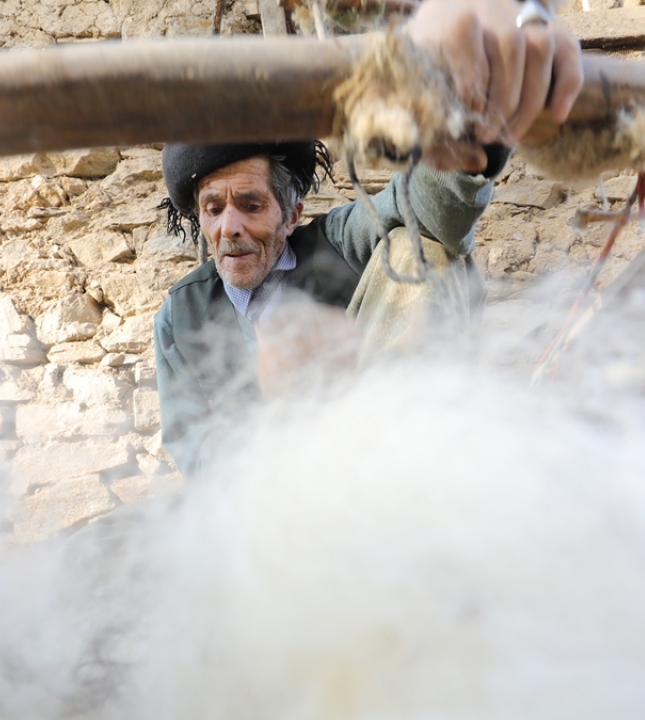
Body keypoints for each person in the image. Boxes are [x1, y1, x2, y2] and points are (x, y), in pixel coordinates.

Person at [153, 0, 583, 478]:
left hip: (392, 468)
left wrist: (468, 139)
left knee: (418, 247)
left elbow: (419, 203)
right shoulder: (180, 316)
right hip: (276, 507)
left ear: (292, 215)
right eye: (213, 209)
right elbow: (197, 452)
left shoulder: (338, 242)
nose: (228, 227)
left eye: (251, 206)